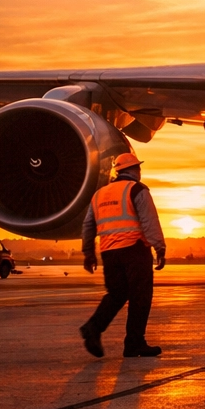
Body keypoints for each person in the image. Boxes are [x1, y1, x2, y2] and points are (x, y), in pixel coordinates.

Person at [79, 152, 166, 358]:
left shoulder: (100, 194)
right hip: (134, 249)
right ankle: (134, 343)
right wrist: (159, 247)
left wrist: (88, 253)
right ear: (133, 170)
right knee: (140, 296)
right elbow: (149, 221)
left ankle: (93, 328)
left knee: (116, 294)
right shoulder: (137, 189)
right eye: (138, 167)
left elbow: (88, 225)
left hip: (109, 252)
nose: (140, 171)